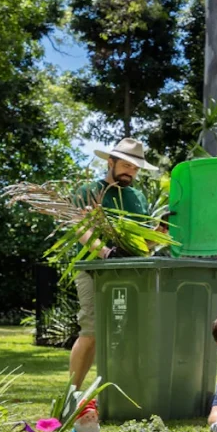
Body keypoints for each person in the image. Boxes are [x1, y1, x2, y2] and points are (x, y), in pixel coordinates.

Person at [68, 137, 159, 390]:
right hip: (92, 270)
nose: (131, 171)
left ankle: (125, 391)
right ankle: (71, 394)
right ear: (111, 162)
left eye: (135, 168)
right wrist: (106, 253)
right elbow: (81, 230)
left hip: (129, 272)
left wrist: (158, 233)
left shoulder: (137, 197)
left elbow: (140, 244)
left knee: (128, 335)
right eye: (127, 165)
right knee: (92, 331)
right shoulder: (88, 191)